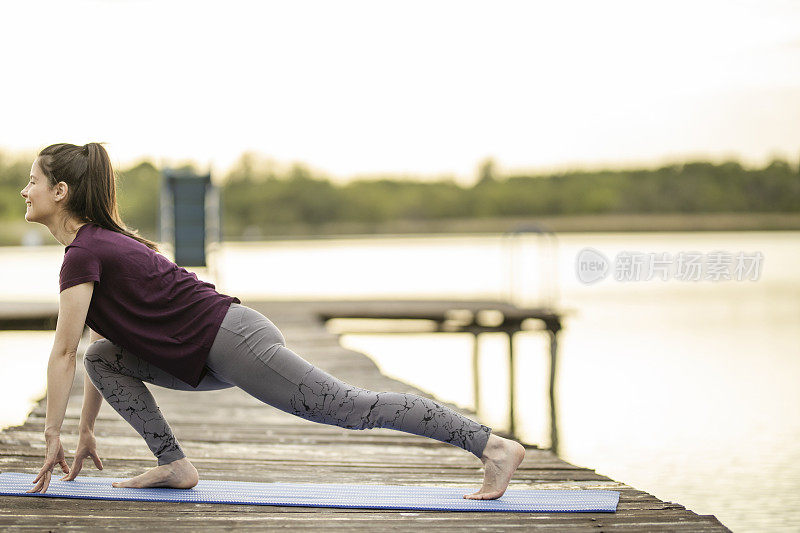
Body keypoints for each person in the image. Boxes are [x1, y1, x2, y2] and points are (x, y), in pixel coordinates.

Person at [20, 142, 526, 498]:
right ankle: (173, 464)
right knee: (103, 358)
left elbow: (61, 353)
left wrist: (51, 437)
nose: (25, 191)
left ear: (60, 191)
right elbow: (96, 350)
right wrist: (85, 432)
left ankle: (491, 446)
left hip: (232, 340)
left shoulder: (85, 251)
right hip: (202, 354)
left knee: (348, 407)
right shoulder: (92, 250)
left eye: (32, 181)